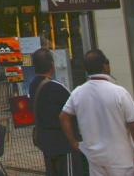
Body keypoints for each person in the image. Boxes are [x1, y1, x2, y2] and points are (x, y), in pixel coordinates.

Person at [60, 49, 134, 176]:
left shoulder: (78, 92)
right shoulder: (119, 92)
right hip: (122, 160)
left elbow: (63, 117)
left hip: (95, 160)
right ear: (105, 66)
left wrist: (73, 142)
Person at [31, 48, 87, 176]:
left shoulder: (33, 85)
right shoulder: (56, 87)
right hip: (63, 143)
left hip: (46, 142)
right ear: (52, 65)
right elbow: (72, 112)